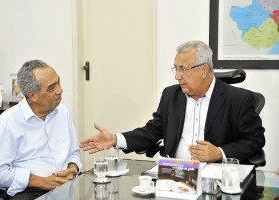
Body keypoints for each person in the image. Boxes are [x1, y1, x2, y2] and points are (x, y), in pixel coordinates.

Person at [80, 40, 265, 164]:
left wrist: (220, 152)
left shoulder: (239, 99)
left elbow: (255, 140)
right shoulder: (171, 95)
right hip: (173, 174)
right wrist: (116, 139)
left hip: (216, 176)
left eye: (183, 69)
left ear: (203, 70)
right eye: (176, 69)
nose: (177, 76)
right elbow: (152, 131)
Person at [0, 60, 82, 199]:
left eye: (58, 82)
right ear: (32, 95)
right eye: (51, 88)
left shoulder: (63, 112)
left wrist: (72, 169)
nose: (60, 90)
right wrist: (42, 182)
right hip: (29, 191)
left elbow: (73, 152)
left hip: (65, 186)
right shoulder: (8, 121)